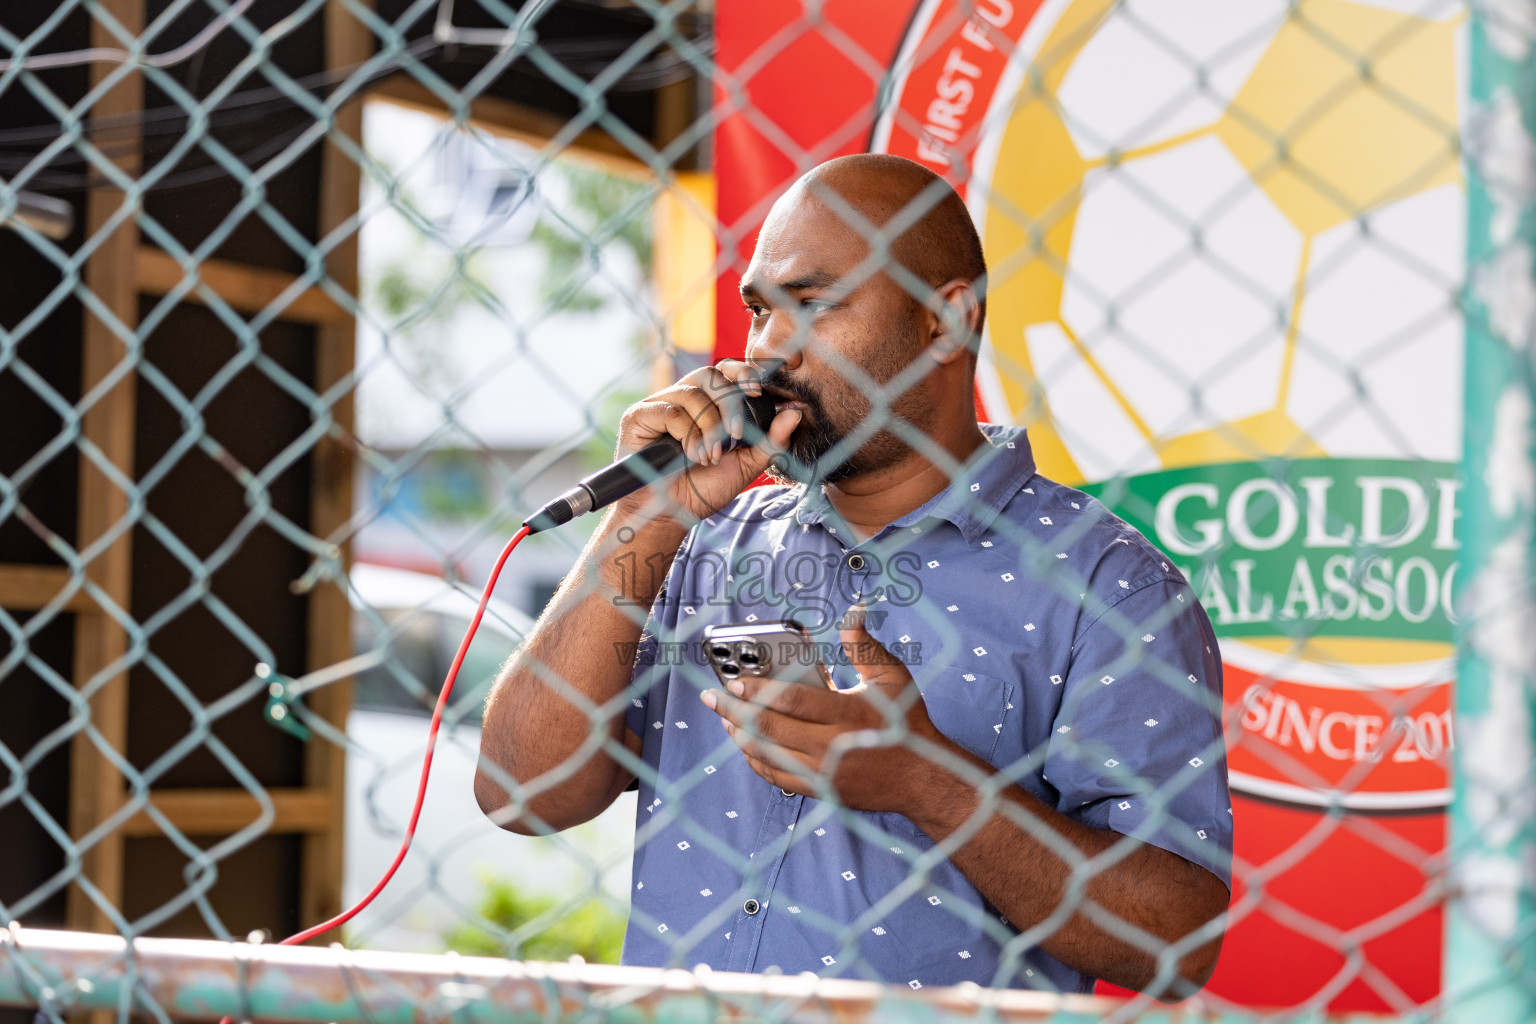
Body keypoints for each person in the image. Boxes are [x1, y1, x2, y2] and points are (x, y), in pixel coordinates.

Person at [475, 153, 1232, 1000]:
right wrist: (639, 520)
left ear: (945, 321)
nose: (768, 352)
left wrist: (925, 781)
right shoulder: (697, 541)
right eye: (761, 310)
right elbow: (520, 793)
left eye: (814, 304)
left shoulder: (1112, 590)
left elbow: (1177, 942)